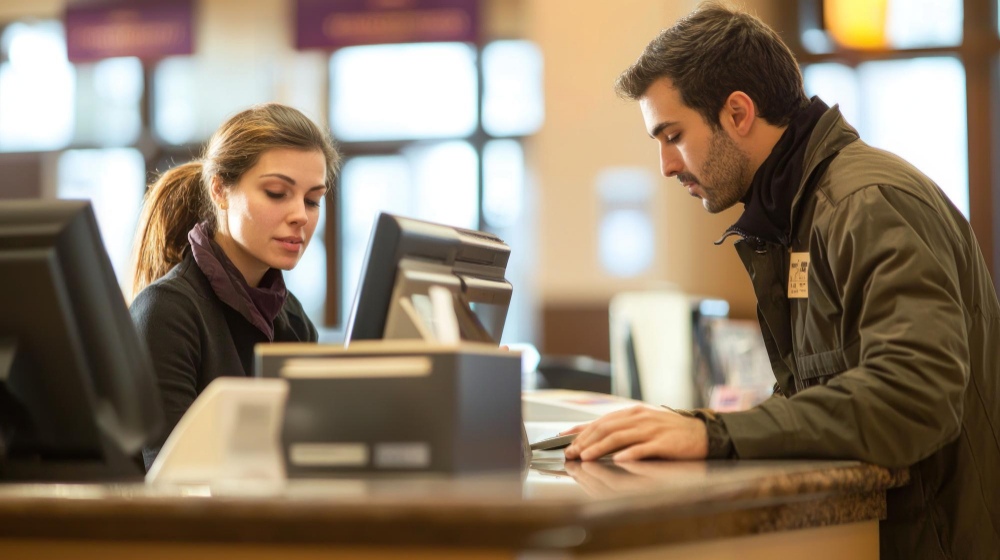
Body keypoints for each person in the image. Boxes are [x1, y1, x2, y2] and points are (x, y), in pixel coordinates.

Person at [562, 3, 1000, 558]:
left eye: (672, 135)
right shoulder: (795, 213)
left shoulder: (866, 203)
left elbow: (916, 397)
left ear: (739, 112)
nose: (666, 166)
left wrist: (713, 434)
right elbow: (821, 400)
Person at [128, 103, 340, 468]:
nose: (300, 216)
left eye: (313, 200)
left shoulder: (294, 320)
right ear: (220, 191)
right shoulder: (167, 312)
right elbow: (171, 485)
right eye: (277, 193)